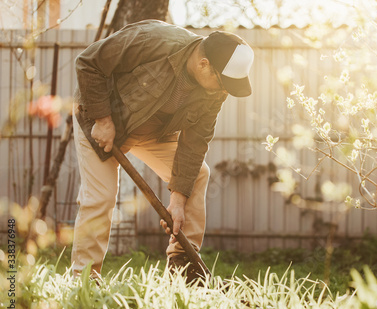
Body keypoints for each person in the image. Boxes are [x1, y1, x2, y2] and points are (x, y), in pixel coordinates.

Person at [71, 19, 254, 282]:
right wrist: (102, 119)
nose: (224, 92)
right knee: (101, 196)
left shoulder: (215, 90)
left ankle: (183, 269)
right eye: (223, 84)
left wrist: (177, 201)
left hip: (154, 130)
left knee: (197, 174)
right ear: (204, 65)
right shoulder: (152, 40)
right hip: (103, 121)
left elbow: (195, 143)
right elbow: (88, 62)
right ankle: (85, 281)